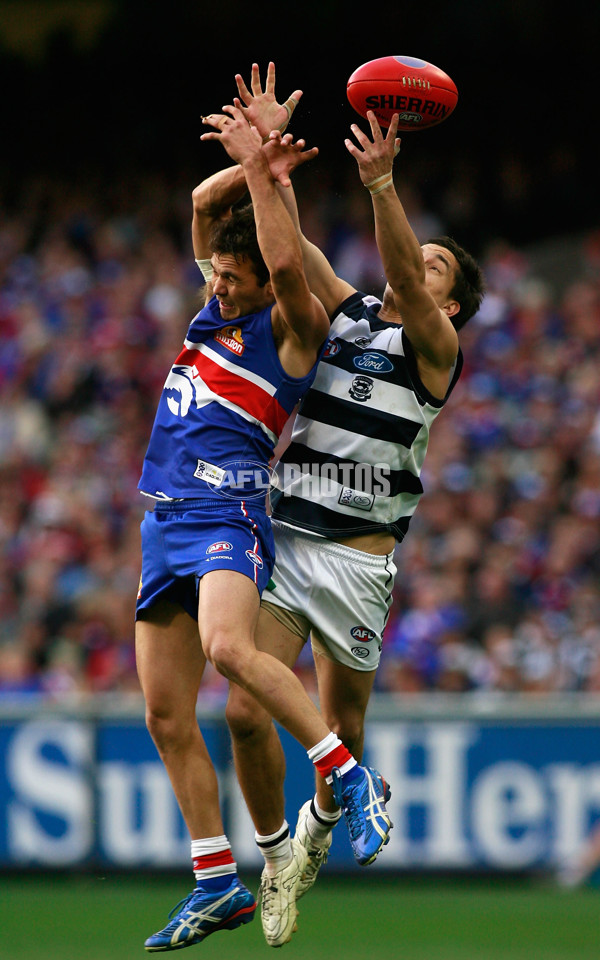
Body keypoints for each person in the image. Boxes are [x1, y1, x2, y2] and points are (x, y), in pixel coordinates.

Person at [223, 65, 486, 947]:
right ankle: (274, 859)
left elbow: (406, 284)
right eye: (422, 254)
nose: (416, 268)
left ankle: (319, 831)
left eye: (434, 265)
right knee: (243, 707)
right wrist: (270, 167)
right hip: (291, 541)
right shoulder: (350, 313)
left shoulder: (435, 347)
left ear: (450, 302)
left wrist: (383, 184)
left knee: (344, 735)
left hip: (361, 563)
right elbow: (293, 251)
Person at [136, 81, 393, 953]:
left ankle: (347, 775)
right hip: (165, 515)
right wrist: (246, 163)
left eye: (231, 273)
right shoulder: (218, 297)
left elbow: (284, 266)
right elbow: (203, 207)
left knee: (228, 653)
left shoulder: (293, 327)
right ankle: (217, 882)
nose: (219, 281)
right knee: (166, 714)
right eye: (215, 271)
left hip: (228, 504)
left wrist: (265, 176)